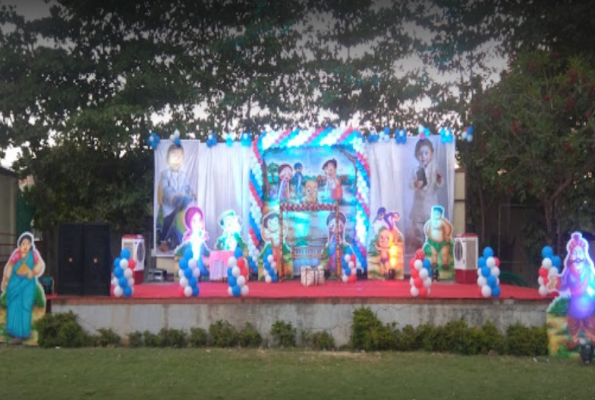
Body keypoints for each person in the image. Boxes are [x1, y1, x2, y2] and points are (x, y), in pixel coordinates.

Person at [547, 232, 595, 349]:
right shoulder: (569, 271)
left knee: (590, 321)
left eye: (580, 253)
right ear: (571, 256)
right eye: (575, 253)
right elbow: (563, 283)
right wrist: (555, 282)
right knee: (572, 322)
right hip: (574, 303)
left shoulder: (588, 269)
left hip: (588, 302)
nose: (578, 256)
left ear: (584, 255)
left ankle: (591, 338)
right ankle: (574, 339)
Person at [1, 232, 45, 341]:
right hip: (15, 282)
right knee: (13, 305)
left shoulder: (33, 254)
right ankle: (12, 331)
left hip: (28, 283)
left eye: (28, 243)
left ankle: (24, 333)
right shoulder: (16, 254)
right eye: (23, 244)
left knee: (26, 306)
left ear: (31, 245)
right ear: (19, 245)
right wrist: (6, 279)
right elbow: (10, 266)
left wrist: (33, 272)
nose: (25, 246)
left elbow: (39, 265)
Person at [158, 144, 195, 252]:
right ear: (168, 159)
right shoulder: (165, 174)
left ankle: (182, 240)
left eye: (179, 157)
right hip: (169, 205)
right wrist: (173, 195)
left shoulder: (184, 174)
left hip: (181, 203)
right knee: (169, 220)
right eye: (174, 156)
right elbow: (165, 188)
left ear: (183, 159)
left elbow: (187, 187)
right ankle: (163, 240)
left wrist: (191, 192)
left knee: (185, 219)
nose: (176, 160)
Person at [409, 139, 443, 249]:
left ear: (431, 154)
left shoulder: (434, 169)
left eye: (426, 153)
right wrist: (415, 184)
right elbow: (410, 184)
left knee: (432, 229)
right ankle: (420, 248)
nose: (423, 156)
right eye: (420, 154)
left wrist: (438, 179)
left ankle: (431, 248)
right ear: (416, 156)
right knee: (418, 229)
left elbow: (437, 186)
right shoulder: (415, 170)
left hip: (430, 205)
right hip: (418, 207)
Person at [423, 205, 453, 275]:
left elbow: (448, 228)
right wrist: (427, 235)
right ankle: (434, 263)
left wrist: (447, 235)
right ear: (432, 213)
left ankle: (445, 264)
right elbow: (426, 227)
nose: (436, 214)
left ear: (441, 214)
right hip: (432, 242)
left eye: (438, 213)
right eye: (435, 213)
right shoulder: (431, 221)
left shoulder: (443, 221)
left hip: (443, 242)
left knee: (445, 254)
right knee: (434, 254)